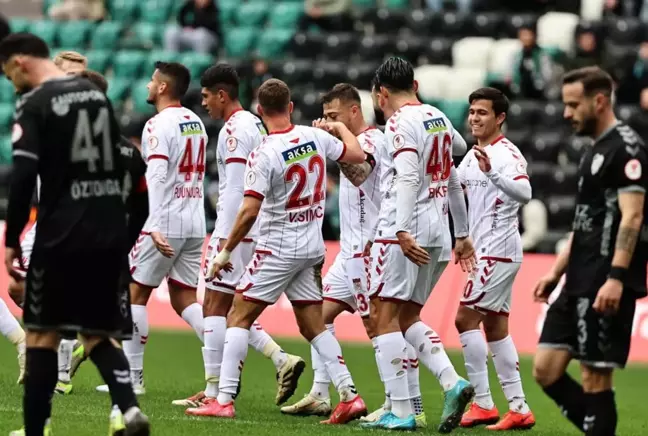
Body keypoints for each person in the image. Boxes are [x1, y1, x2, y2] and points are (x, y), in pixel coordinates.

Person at [0, 32, 149, 436]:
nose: (12, 83)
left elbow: (24, 175)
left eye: (8, 73)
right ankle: (128, 410)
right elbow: (119, 172)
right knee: (97, 332)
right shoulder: (97, 98)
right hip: (106, 232)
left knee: (41, 335)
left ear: (20, 63)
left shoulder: (35, 102)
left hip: (60, 232)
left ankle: (36, 431)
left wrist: (12, 237)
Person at [205, 78, 368, 424]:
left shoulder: (263, 152)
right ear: (291, 106)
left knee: (238, 315)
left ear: (260, 111)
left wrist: (225, 252)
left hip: (278, 247)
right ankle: (350, 395)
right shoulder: (315, 136)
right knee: (312, 325)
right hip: (311, 245)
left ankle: (222, 399)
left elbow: (248, 211)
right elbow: (357, 154)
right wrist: (339, 127)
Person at [177, 63, 306, 414]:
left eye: (206, 97)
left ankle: (216, 392)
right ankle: (278, 360)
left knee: (215, 308)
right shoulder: (253, 122)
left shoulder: (235, 130)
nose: (204, 104)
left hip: (237, 231)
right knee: (235, 310)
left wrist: (226, 240)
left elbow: (236, 190)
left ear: (222, 95)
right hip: (257, 229)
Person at [533, 66, 648, 436]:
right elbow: (583, 220)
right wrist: (556, 271)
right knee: (545, 369)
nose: (566, 113)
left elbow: (633, 218)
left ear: (599, 101)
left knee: (595, 377)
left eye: (572, 104)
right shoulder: (592, 151)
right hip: (577, 278)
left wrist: (616, 279)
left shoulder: (627, 149)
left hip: (604, 279)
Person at [364, 57, 475, 433]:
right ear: (415, 84)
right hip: (439, 231)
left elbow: (410, 175)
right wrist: (462, 233)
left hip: (405, 230)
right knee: (408, 317)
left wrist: (401, 229)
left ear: (381, 94)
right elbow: (456, 159)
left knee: (382, 317)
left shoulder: (398, 122)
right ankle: (451, 382)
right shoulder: (439, 117)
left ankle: (400, 410)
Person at [280, 83, 388, 420]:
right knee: (318, 318)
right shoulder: (348, 144)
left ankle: (396, 402)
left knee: (377, 327)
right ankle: (320, 393)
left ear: (354, 112)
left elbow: (359, 175)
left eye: (334, 115)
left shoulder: (370, 143)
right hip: (348, 252)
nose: (327, 121)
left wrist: (335, 141)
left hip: (368, 251)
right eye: (325, 116)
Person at [112, 62, 208, 396]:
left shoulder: (157, 124)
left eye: (152, 80)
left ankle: (132, 379)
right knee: (185, 299)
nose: (147, 86)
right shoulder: (197, 122)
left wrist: (150, 223)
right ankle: (220, 370)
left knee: (135, 293)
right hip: (195, 219)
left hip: (164, 220)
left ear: (164, 87)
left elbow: (155, 174)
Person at [454, 87, 535, 430]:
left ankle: (484, 403)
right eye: (472, 111)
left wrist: (494, 174)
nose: (474, 118)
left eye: (482, 112)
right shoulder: (472, 155)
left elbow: (525, 192)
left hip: (498, 251)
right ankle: (518, 409)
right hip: (487, 250)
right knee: (496, 328)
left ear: (500, 117)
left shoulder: (506, 154)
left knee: (463, 319)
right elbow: (455, 190)